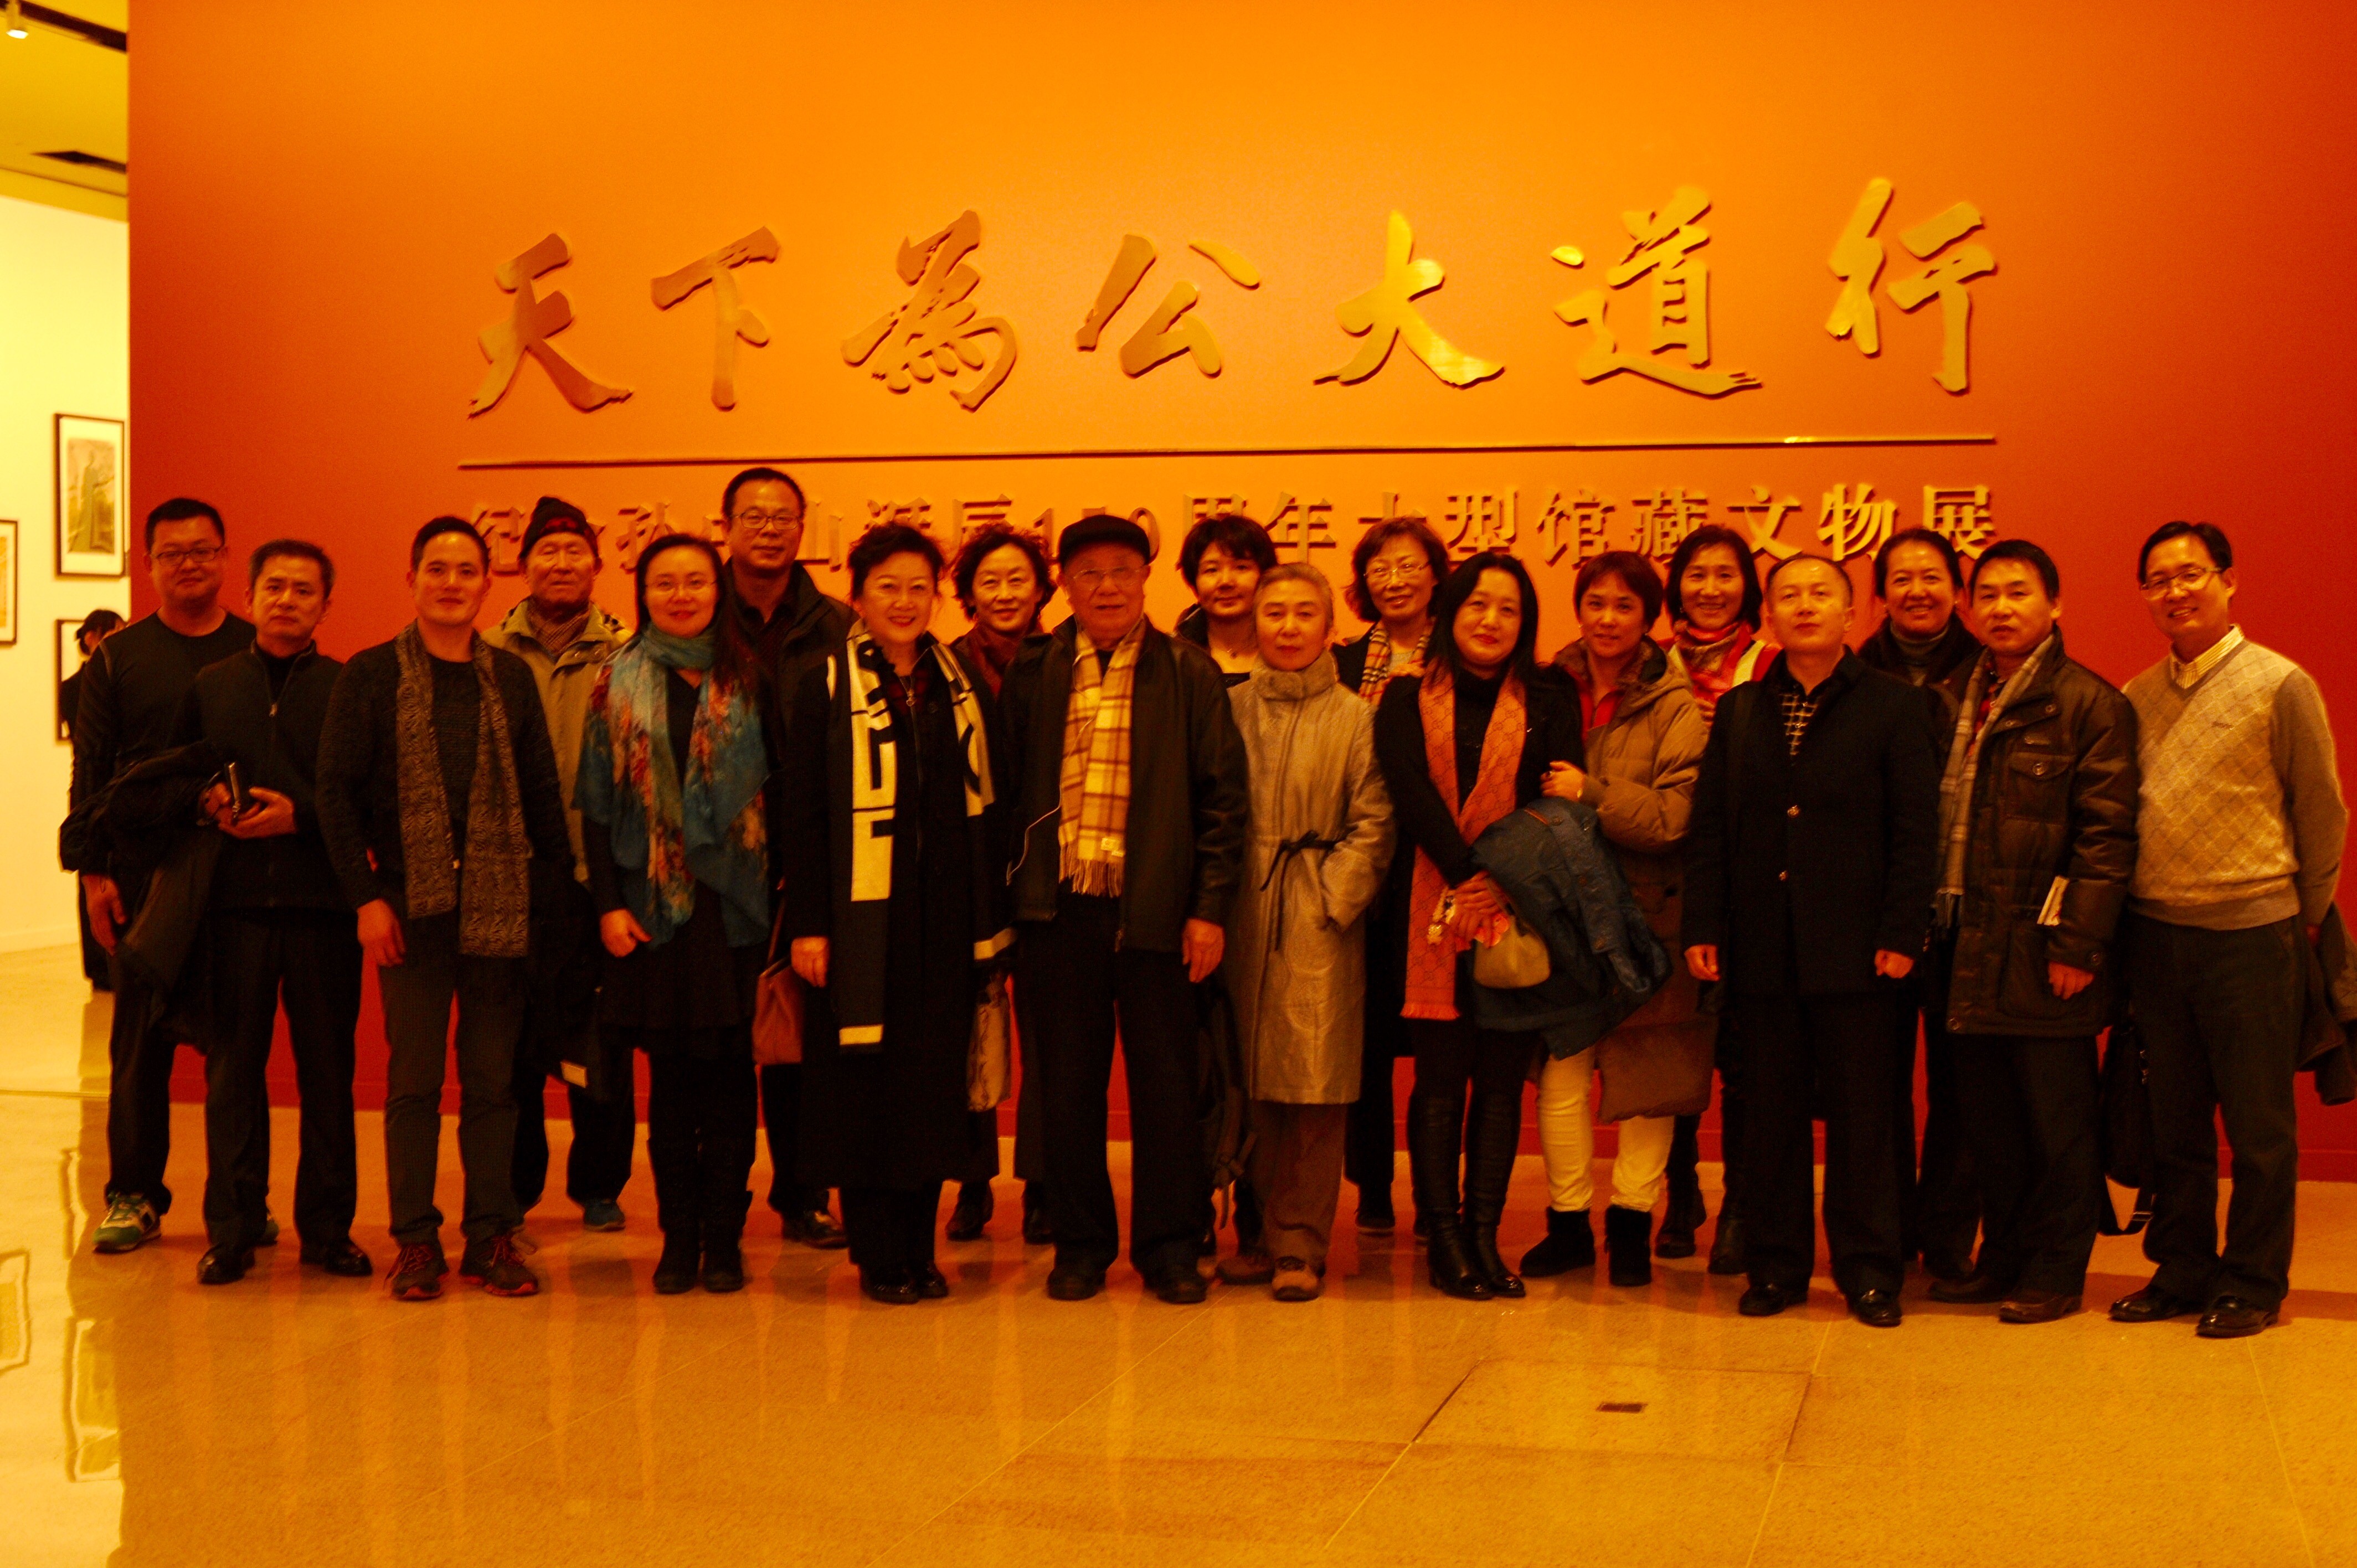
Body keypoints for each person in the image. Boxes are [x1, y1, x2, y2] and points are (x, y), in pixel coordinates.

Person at [317, 518, 573, 1301]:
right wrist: (366, 899)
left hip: (500, 910)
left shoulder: (509, 678)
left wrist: (549, 903)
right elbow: (334, 796)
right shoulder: (370, 676)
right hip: (409, 910)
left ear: (487, 583)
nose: (452, 583)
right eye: (437, 568)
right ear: (412, 579)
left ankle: (491, 1234)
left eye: (467, 570)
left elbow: (540, 796)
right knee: (415, 1085)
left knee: (493, 1083)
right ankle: (416, 1240)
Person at [1682, 554, 1939, 1328]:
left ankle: (1870, 1271)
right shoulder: (1741, 710)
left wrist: (1901, 930)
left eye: (1819, 594)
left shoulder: (1895, 706)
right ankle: (1776, 1266)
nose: (1803, 606)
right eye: (1787, 596)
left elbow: (1915, 831)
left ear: (1851, 613)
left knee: (1866, 1118)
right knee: (1770, 1117)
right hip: (1762, 945)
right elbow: (1712, 827)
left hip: (1861, 951)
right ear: (1768, 617)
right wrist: (1704, 923)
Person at [1000, 513, 1249, 1304]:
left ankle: (1170, 1248)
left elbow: (1222, 802)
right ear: (1065, 585)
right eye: (1088, 573)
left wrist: (1207, 909)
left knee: (1167, 1091)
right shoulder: (1036, 670)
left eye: (1121, 571)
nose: (1106, 587)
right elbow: (1003, 796)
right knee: (1066, 1089)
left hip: (1158, 911)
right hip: (1058, 912)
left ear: (1145, 580)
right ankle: (1080, 1247)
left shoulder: (1188, 671)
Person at [2111, 521, 2345, 1339]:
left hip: (2253, 936)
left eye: (2190, 574)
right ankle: (2181, 1270)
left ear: (2228, 580)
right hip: (2157, 937)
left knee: (2258, 1129)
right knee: (2174, 1125)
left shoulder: (2280, 684)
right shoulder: (2136, 695)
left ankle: (2251, 1282)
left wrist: (2304, 914)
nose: (2174, 592)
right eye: (2158, 580)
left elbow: (2321, 810)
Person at [784, 524, 1013, 1303]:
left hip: (943, 921)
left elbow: (990, 805)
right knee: (867, 1093)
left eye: (920, 588)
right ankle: (879, 1255)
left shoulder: (958, 683)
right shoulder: (822, 684)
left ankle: (920, 1249)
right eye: (888, 587)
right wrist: (810, 925)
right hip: (858, 923)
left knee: (931, 1092)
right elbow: (802, 815)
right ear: (858, 597)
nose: (905, 601)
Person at [1917, 540, 2137, 1324]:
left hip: (2042, 950)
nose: (2001, 608)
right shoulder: (1950, 697)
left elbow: (2105, 838)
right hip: (1961, 943)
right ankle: (2002, 1257)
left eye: (2018, 593)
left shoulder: (2089, 704)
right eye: (1988, 594)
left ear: (2054, 604)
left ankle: (2056, 1269)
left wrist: (2077, 944)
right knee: (1990, 1124)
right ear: (1969, 607)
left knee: (2057, 1124)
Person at [1374, 551, 1586, 1301]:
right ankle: (1444, 1241)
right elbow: (1408, 792)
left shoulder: (1551, 697)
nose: (1491, 620)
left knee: (1500, 1085)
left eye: (1508, 609)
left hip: (1518, 916)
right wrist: (1470, 875)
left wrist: (1503, 880)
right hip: (1429, 915)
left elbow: (1558, 803)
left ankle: (1485, 1237)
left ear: (1525, 624)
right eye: (1477, 605)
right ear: (1449, 613)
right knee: (1438, 1084)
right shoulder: (1404, 696)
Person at [577, 535, 777, 1294]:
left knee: (730, 1082)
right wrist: (608, 906)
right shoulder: (616, 678)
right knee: (669, 1087)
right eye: (666, 583)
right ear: (644, 594)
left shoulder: (751, 676)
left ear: (718, 591)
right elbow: (597, 807)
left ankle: (723, 1239)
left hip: (736, 911)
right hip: (652, 910)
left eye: (696, 581)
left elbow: (784, 794)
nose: (682, 594)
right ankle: (678, 1236)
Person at [175, 541, 367, 1285]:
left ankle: (328, 1229)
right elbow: (176, 781)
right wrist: (206, 803)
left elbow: (369, 798)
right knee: (232, 1076)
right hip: (234, 908)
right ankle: (232, 1229)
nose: (287, 600)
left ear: (326, 605)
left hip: (324, 907)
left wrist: (302, 817)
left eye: (303, 590)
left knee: (328, 1074)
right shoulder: (212, 685)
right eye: (275, 587)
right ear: (250, 597)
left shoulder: (349, 688)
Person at [66, 498, 254, 1255]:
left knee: (236, 1049)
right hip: (142, 876)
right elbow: (91, 776)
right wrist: (93, 877)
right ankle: (133, 1195)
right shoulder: (117, 658)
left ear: (225, 556)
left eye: (202, 550)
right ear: (148, 565)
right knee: (139, 1048)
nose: (189, 564)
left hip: (235, 874)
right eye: (173, 553)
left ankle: (240, 1203)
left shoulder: (254, 647)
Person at [1523, 552, 1710, 1287]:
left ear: (1649, 619)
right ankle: (1568, 1224)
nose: (1607, 619)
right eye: (1595, 603)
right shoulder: (1546, 687)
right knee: (1562, 1074)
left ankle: (1632, 1224)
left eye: (1624, 606)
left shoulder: (1674, 704)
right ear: (1578, 609)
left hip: (1648, 913)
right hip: (1562, 915)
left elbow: (1674, 817)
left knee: (1648, 1078)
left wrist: (1592, 793)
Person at [1213, 565, 1393, 1301]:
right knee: (1246, 1082)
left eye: (1303, 614)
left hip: (1319, 915)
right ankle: (1254, 1234)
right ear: (1254, 623)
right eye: (1274, 613)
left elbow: (1374, 823)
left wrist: (1328, 900)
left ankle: (1300, 1243)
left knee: (1315, 1088)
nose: (1288, 627)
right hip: (1237, 913)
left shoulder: (1357, 717)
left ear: (1329, 627)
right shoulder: (1227, 709)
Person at [491, 497, 636, 1235]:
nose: (560, 563)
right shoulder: (489, 652)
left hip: (598, 880)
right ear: (523, 565)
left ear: (596, 564)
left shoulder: (629, 654)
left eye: (574, 550)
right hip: (510, 880)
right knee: (512, 1044)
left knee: (603, 1041)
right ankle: (514, 1186)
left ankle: (600, 1185)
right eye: (546, 551)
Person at [720, 465, 854, 1250]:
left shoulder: (837, 624)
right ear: (727, 527)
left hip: (809, 853)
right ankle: (719, 1198)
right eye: (754, 516)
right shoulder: (698, 614)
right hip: (716, 861)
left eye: (783, 518)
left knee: (800, 1035)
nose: (769, 529)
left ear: (803, 530)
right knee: (721, 1035)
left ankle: (803, 1192)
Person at [1859, 525, 1984, 1281]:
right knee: (1875, 1083)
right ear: (1879, 596)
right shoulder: (1850, 671)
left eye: (1931, 577)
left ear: (1957, 592)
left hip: (1961, 906)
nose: (1916, 591)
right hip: (1872, 910)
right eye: (1900, 579)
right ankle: (1885, 1229)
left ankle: (1946, 1234)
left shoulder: (1988, 670)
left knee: (1960, 1083)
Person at [1656, 525, 1777, 1268]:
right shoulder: (1653, 667)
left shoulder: (1772, 664)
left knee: (1741, 1058)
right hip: (1663, 877)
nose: (1709, 589)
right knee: (1670, 1047)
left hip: (1745, 883)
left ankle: (1739, 1204)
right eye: (1696, 575)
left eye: (1725, 575)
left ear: (1747, 588)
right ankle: (1679, 1192)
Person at [1333, 515, 1450, 1236]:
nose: (1395, 579)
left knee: (1439, 1044)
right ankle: (1372, 1184)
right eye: (1380, 567)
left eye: (1409, 565)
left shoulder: (1462, 657)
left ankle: (1437, 1191)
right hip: (1365, 874)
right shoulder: (1341, 664)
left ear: (1436, 576)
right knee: (1366, 1041)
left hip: (1436, 868)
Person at [945, 522, 1056, 1245]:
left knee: (1050, 1039)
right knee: (969, 1028)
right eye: (991, 581)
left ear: (1041, 588)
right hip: (970, 874)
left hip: (1048, 874)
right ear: (969, 594)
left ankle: (1043, 1182)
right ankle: (972, 1181)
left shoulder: (1067, 662)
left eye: (1019, 579)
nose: (1006, 592)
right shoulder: (945, 665)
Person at [63, 607, 127, 988]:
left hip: (103, 782)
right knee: (93, 873)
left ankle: (106, 963)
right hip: (95, 783)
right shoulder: (78, 686)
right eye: (116, 631)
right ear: (92, 637)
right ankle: (100, 964)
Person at [1173, 513, 1274, 685]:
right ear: (1194, 580)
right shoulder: (1173, 658)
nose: (1226, 582)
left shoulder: (1289, 649)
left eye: (1241, 567)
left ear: (1264, 574)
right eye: (1212, 570)